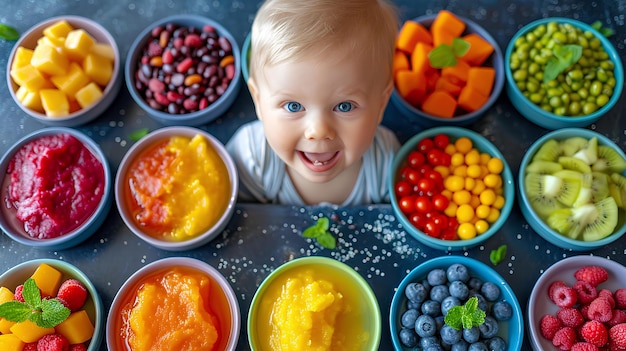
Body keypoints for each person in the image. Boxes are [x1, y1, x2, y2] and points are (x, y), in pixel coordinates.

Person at [226, 0, 400, 206]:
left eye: (345, 106)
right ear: (258, 100)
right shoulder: (252, 158)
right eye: (293, 106)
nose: (318, 131)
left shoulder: (386, 164)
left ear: (381, 103)